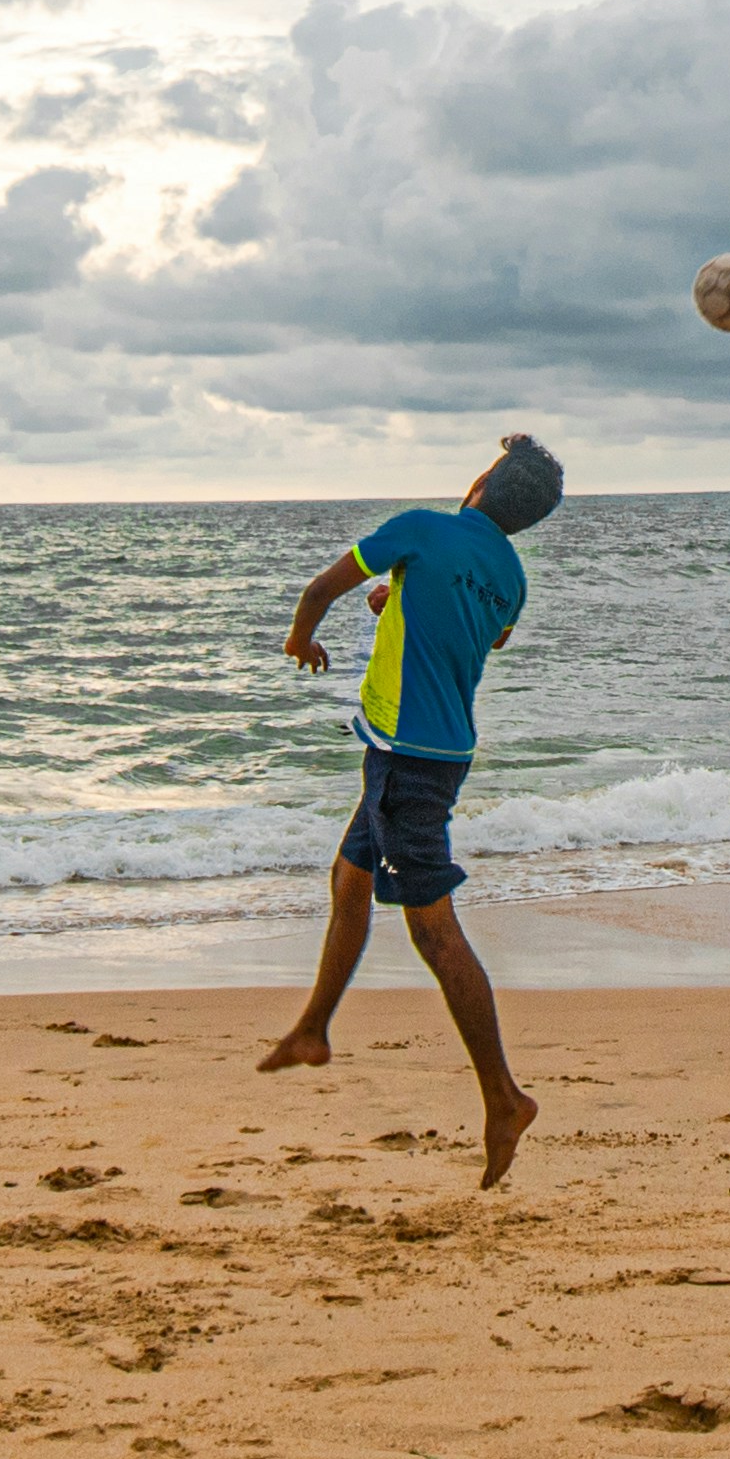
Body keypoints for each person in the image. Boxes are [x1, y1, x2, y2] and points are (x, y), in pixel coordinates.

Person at [261, 432, 565, 1186]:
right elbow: (479, 637)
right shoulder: (511, 574)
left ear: (483, 483)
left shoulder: (423, 528)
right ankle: (312, 1029)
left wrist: (302, 637)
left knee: (433, 928)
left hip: (407, 758)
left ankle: (504, 1098)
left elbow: (320, 589)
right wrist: (399, 601)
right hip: (438, 751)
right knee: (350, 878)